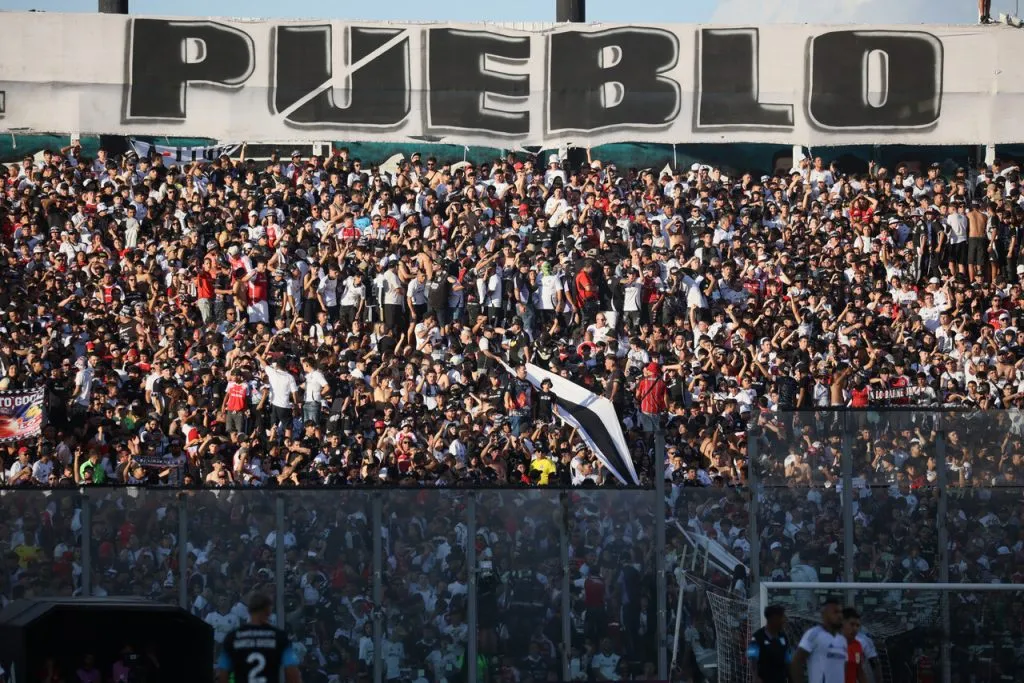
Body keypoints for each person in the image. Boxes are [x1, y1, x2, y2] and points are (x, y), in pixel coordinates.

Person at [216, 593, 301, 683]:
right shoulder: (279, 637)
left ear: (249, 610)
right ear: (268, 611)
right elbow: (292, 671)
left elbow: (223, 672)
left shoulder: (232, 637)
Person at [791, 597, 847, 683]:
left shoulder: (842, 640)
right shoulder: (814, 634)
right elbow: (796, 662)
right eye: (835, 612)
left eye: (840, 612)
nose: (839, 616)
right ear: (824, 614)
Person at [747, 604, 792, 683]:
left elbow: (788, 660)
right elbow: (752, 660)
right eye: (782, 617)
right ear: (774, 619)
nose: (785, 620)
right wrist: (756, 677)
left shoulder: (783, 637)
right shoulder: (757, 637)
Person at [841, 608, 868, 683]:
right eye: (852, 624)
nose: (855, 628)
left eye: (857, 625)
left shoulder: (857, 646)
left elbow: (859, 670)